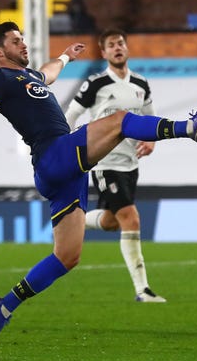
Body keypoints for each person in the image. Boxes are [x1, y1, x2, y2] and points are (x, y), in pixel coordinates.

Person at [0, 21, 197, 344]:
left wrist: (66, 57)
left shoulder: (29, 77)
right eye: (16, 41)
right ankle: (189, 127)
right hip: (53, 155)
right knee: (120, 121)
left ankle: (4, 306)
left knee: (67, 256)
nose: (24, 44)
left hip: (64, 171)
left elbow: (49, 72)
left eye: (24, 39)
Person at [65, 28, 166, 303]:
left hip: (130, 163)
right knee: (131, 217)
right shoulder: (95, 84)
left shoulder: (141, 84)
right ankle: (142, 290)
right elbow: (71, 114)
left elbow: (150, 118)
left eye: (121, 43)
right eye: (111, 45)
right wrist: (65, 146)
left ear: (127, 48)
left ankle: (73, 220)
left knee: (112, 222)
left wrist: (153, 142)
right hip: (103, 162)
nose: (117, 48)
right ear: (104, 52)